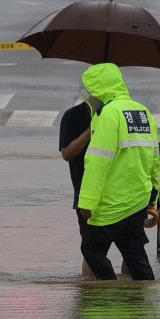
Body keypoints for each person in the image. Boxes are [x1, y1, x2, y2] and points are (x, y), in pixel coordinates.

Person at [75, 63, 160, 282]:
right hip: (138, 201)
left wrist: (86, 202)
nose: (88, 95)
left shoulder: (109, 115)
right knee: (135, 255)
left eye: (90, 89)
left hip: (113, 203)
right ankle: (143, 301)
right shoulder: (143, 112)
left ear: (100, 89)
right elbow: (154, 159)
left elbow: (97, 162)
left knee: (92, 249)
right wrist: (153, 197)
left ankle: (109, 291)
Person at [59, 95, 95, 277]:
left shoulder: (123, 113)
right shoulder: (73, 116)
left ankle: (132, 297)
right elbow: (67, 154)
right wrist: (91, 130)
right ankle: (90, 299)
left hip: (124, 195)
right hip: (88, 197)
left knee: (132, 251)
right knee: (93, 251)